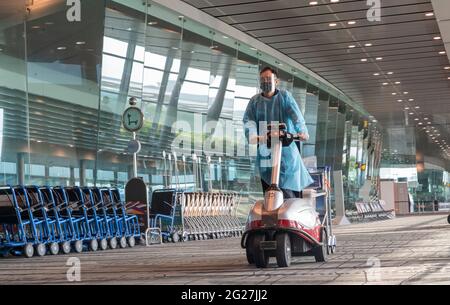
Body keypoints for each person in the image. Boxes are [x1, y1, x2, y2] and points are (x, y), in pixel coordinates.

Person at [243, 66, 314, 199]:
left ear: (276, 81)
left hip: (286, 152)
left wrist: (302, 132)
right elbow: (249, 121)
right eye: (262, 79)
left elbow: (297, 117)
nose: (265, 82)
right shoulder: (255, 102)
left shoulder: (285, 97)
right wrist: (253, 135)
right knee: (269, 195)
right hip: (266, 151)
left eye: (268, 79)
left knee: (289, 194)